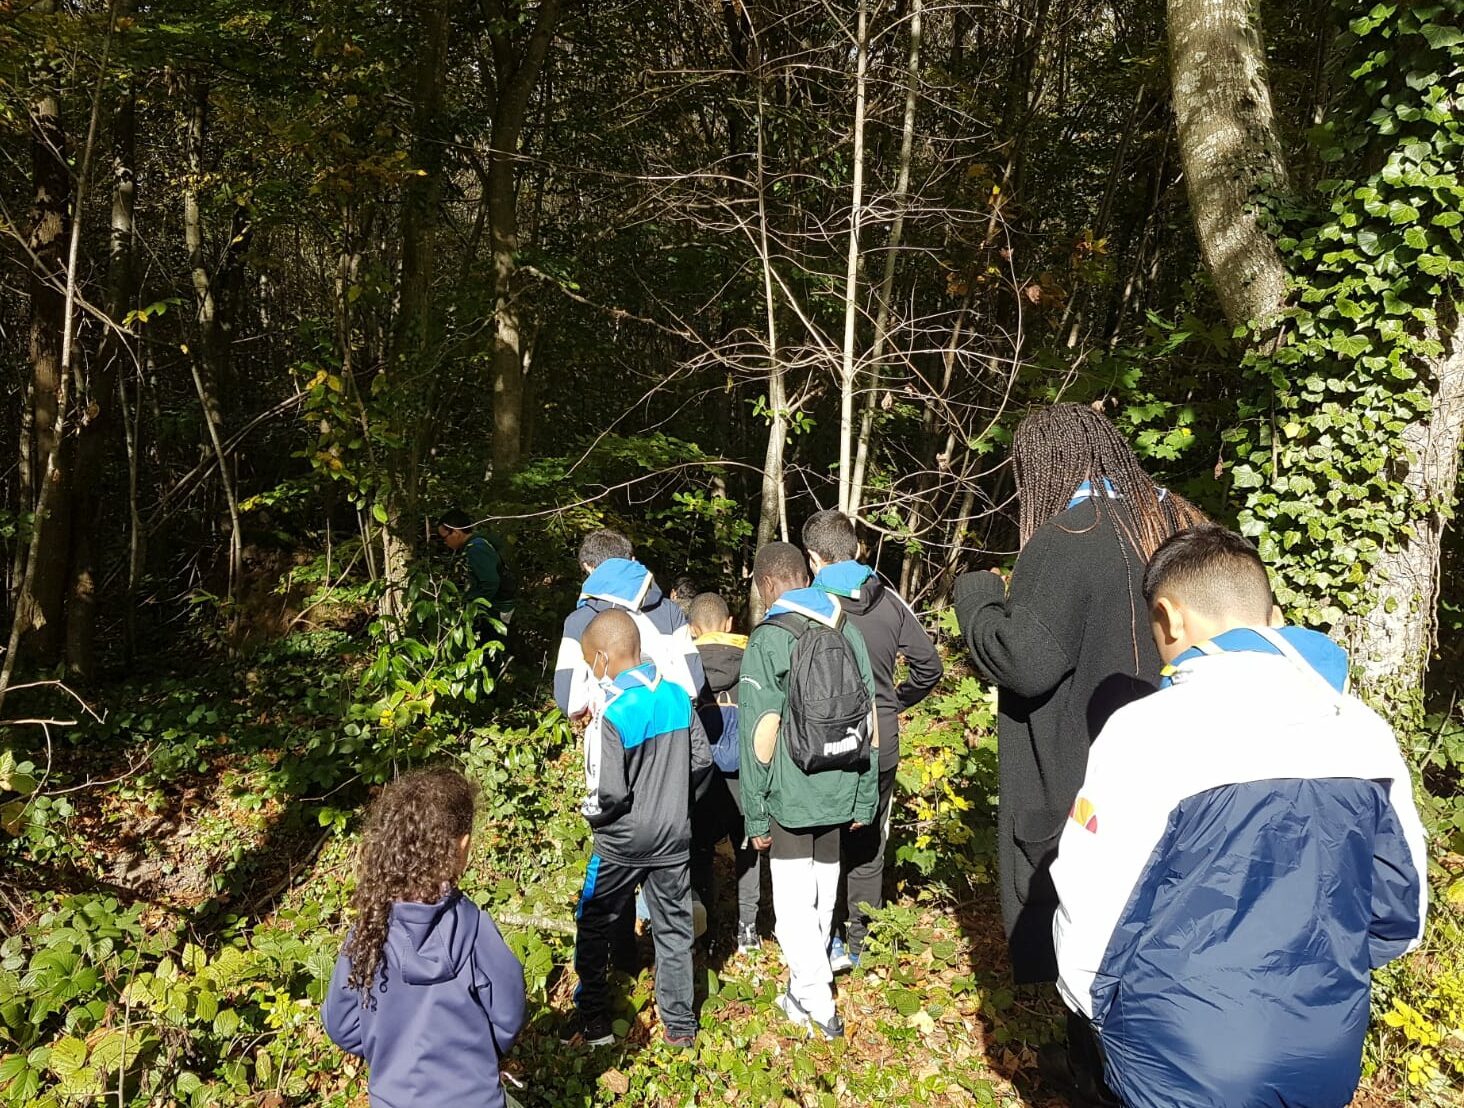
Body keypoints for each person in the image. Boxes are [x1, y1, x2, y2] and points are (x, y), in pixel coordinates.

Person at [1052, 526, 1427, 1107]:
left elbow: (1091, 907)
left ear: (1169, 618)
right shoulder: (1363, 732)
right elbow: (1401, 915)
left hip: (1177, 1054)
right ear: (1272, 615)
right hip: (1323, 1050)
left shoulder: (1146, 731)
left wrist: (1094, 1015)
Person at [952, 403, 1204, 1104]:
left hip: (1087, 787)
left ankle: (1098, 1081)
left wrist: (976, 599)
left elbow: (1024, 659)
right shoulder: (1177, 522)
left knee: (1094, 955)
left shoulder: (1073, 536)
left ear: (1043, 469)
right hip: (1191, 781)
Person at [739, 542, 879, 1040]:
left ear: (767, 584)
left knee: (793, 903)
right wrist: (866, 796)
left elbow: (759, 735)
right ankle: (803, 990)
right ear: (804, 575)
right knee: (823, 892)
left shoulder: (769, 639)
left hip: (791, 793)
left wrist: (754, 815)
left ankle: (819, 1004)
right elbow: (871, 721)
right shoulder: (848, 629)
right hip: (843, 781)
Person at [322, 768, 527, 1108]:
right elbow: (509, 1015)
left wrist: (389, 1049)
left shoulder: (369, 930)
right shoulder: (474, 928)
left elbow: (340, 1024)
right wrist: (477, 1051)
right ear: (462, 845)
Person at [563, 609, 712, 1049]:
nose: (592, 672)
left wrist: (590, 815)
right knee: (673, 928)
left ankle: (595, 1023)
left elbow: (607, 793)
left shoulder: (611, 712)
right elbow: (701, 762)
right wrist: (676, 804)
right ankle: (681, 1027)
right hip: (672, 836)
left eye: (591, 663)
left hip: (620, 843)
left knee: (593, 922)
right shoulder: (677, 697)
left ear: (605, 659)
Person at [803, 509, 943, 969]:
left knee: (823, 844)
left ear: (813, 558)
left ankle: (823, 941)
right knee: (869, 845)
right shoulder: (888, 599)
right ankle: (861, 942)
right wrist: (895, 702)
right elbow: (931, 667)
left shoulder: (807, 605)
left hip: (822, 746)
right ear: (858, 549)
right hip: (879, 742)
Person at [553, 529, 705, 722]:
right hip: (671, 728)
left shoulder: (578, 621)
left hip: (612, 732)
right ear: (632, 560)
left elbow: (570, 701)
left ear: (588, 567)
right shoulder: (669, 611)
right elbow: (693, 683)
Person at [686, 591, 763, 954]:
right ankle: (748, 929)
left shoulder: (685, 668)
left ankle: (708, 931)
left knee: (700, 850)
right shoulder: (753, 660)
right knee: (747, 850)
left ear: (692, 629)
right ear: (730, 624)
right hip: (745, 774)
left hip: (701, 778)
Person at [437, 509, 517, 624]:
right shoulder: (477, 543)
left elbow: (490, 582)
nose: (444, 542)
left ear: (456, 532)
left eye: (444, 538)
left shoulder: (476, 549)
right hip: (496, 606)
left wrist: (473, 608)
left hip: (494, 610)